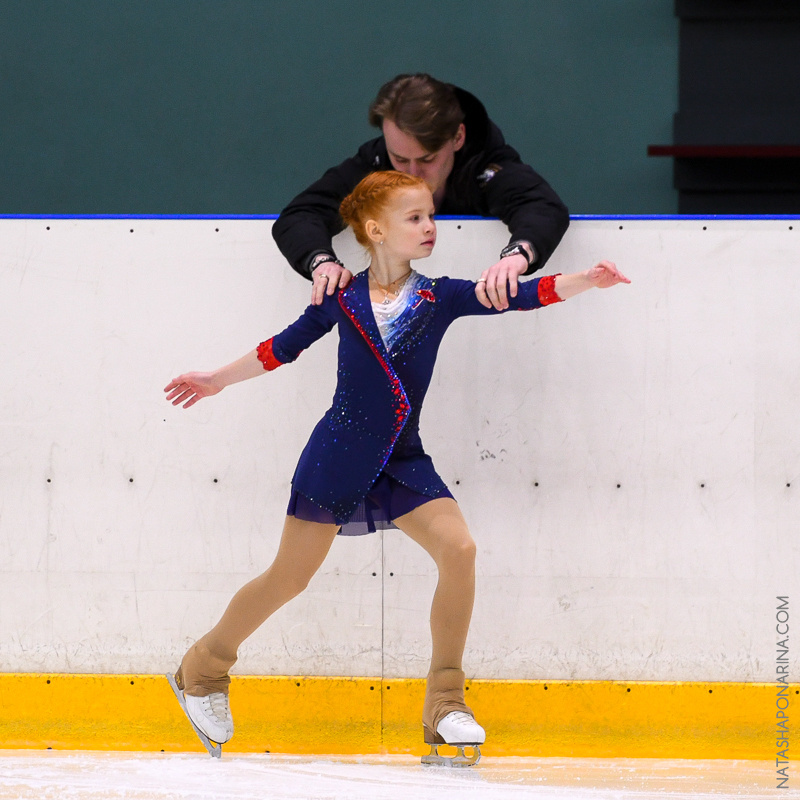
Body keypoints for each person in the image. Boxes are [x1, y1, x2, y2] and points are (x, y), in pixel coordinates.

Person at [164, 171, 629, 764]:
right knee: (289, 578)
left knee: (458, 550)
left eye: (431, 216)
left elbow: (521, 295)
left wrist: (586, 280)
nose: (430, 227)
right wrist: (214, 381)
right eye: (415, 219)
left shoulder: (440, 297)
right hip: (337, 453)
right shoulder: (341, 297)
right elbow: (280, 347)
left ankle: (445, 702)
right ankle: (202, 670)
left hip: (404, 459)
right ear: (375, 229)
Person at [271, 73, 570, 312]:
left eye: (427, 159)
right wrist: (321, 261)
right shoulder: (375, 165)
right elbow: (301, 214)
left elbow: (541, 207)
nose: (410, 174)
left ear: (458, 137)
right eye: (399, 159)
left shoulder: (487, 163)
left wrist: (518, 254)